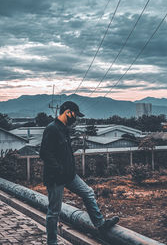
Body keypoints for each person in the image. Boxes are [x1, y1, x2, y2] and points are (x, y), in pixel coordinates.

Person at [39, 101, 119, 245]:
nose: (75, 118)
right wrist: (58, 169)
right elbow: (44, 153)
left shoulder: (64, 129)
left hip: (69, 175)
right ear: (68, 112)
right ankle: (52, 242)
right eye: (75, 114)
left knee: (88, 192)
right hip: (56, 177)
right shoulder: (52, 129)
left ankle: (100, 224)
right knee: (54, 212)